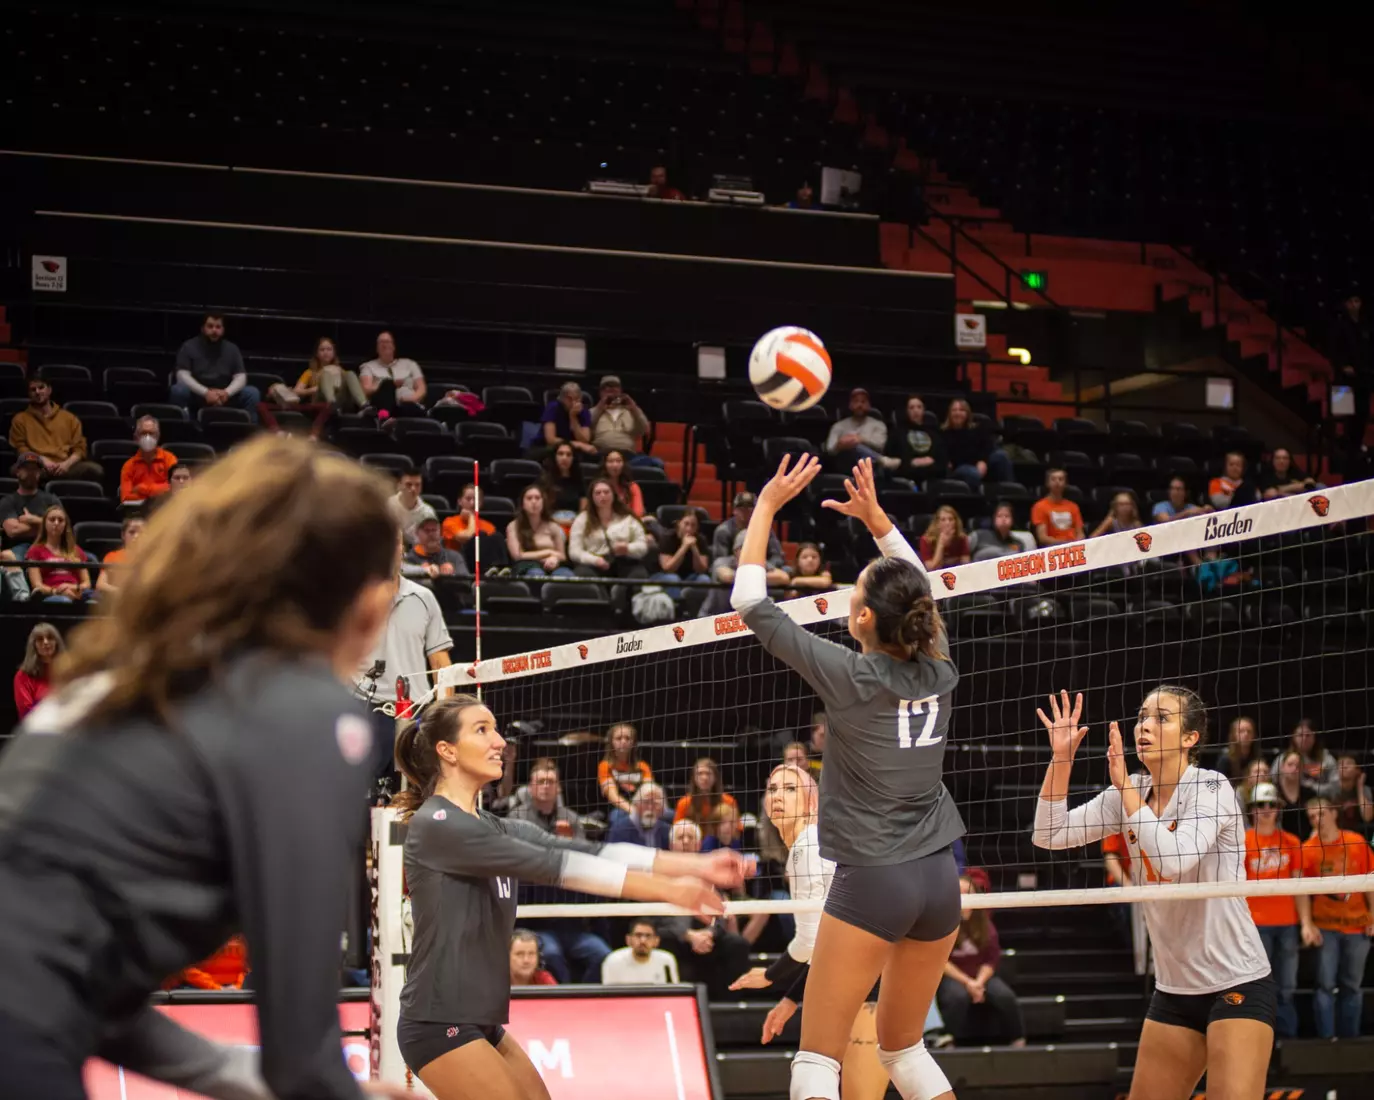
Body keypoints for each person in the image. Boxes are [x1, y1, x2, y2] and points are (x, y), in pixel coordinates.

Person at [0, 435, 415, 1100]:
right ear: (369, 605)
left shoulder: (119, 680)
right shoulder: (302, 711)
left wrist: (247, 1078)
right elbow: (302, 1060)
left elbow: (88, 991)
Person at [731, 454, 964, 1100]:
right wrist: (879, 522)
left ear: (863, 618)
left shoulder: (851, 674)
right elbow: (921, 591)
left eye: (855, 589)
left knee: (815, 1062)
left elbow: (748, 599)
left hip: (875, 878)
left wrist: (766, 506)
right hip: (939, 880)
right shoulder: (941, 669)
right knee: (905, 1050)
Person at [390, 694, 747, 1100]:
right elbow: (554, 865)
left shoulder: (494, 826)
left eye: (496, 729)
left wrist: (696, 865)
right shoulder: (438, 823)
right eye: (482, 730)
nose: (500, 741)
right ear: (447, 750)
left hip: (481, 1019)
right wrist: (668, 891)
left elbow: (587, 850)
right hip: (438, 1020)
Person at [1032, 687, 1274, 1099]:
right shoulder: (1127, 792)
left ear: (1190, 738)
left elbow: (1174, 860)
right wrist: (1062, 760)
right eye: (1143, 716)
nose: (1145, 725)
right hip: (1175, 991)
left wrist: (1125, 789)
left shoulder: (1211, 787)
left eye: (1162, 718)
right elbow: (1048, 833)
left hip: (1236, 982)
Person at [729, 763, 892, 1100]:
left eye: (790, 789)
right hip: (857, 976)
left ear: (811, 802)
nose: (778, 796)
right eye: (773, 789)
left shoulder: (809, 846)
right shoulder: (810, 845)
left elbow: (811, 943)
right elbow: (825, 947)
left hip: (869, 981)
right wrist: (790, 998)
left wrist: (771, 976)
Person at [508, 759, 611, 985]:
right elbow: (515, 857)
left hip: (569, 918)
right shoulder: (517, 817)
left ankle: (583, 999)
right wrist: (556, 848)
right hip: (536, 917)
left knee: (601, 954)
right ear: (531, 787)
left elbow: (584, 858)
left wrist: (569, 843)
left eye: (551, 782)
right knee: (552, 954)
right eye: (541, 781)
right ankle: (562, 999)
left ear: (558, 788)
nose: (546, 786)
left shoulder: (571, 818)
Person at [356, 532, 453, 724]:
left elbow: (440, 664)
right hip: (364, 709)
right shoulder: (351, 598)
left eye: (395, 542)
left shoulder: (424, 597)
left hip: (415, 712)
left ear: (403, 550)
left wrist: (444, 719)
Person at [1242, 781, 1313, 1039]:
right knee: (1258, 985)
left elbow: (1300, 887)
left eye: (1271, 804)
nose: (1266, 809)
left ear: (1279, 808)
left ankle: (1286, 1039)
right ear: (1252, 809)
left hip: (1287, 924)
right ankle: (1259, 1038)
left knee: (1287, 985)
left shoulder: (1292, 842)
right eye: (1261, 804)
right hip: (1255, 925)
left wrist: (1306, 923)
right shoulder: (1242, 841)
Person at [1301, 796, 1374, 1039]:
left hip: (1357, 926)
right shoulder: (1307, 849)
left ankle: (1350, 1041)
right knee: (1325, 986)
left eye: (1321, 813)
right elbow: (1302, 892)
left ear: (1334, 813)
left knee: (1352, 986)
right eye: (1312, 816)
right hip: (1326, 927)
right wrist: (1308, 924)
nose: (1317, 819)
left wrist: (1373, 915)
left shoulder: (1356, 841)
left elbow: (1370, 881)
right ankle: (1328, 1042)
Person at [937, 876, 1026, 1047]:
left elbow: (991, 958)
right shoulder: (942, 922)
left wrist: (978, 982)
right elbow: (941, 961)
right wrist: (968, 982)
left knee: (1005, 996)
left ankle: (1018, 1038)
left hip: (980, 975)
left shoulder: (983, 922)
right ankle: (947, 1039)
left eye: (967, 892)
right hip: (953, 975)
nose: (963, 896)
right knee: (957, 997)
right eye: (959, 892)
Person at [261, 336, 367, 435]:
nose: (326, 352)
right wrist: (315, 389)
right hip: (321, 403)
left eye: (329, 349)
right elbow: (297, 391)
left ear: (334, 352)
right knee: (326, 374)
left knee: (350, 374)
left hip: (340, 402)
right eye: (322, 350)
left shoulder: (341, 371)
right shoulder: (310, 372)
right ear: (317, 353)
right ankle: (331, 403)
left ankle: (364, 405)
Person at [7, 376, 102, 481]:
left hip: (66, 465)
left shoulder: (69, 418)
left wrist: (66, 464)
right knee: (22, 471)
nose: (37, 392)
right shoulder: (20, 419)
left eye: (41, 387)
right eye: (33, 390)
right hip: (37, 465)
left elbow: (79, 449)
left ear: (49, 390)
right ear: (29, 394)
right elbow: (21, 449)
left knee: (94, 469)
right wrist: (41, 460)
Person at [170, 313, 261, 422]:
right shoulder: (188, 346)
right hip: (198, 394)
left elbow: (241, 377)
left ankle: (249, 431)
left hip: (225, 394)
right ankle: (185, 429)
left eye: (218, 327)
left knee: (252, 393)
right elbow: (181, 376)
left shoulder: (232, 349)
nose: (214, 330)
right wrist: (206, 393)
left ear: (223, 330)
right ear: (203, 328)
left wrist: (227, 393)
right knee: (178, 390)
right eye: (210, 326)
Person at [568, 479, 649, 580]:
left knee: (639, 573)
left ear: (613, 495)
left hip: (624, 562)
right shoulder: (582, 519)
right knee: (582, 573)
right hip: (593, 564)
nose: (602, 495)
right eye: (598, 493)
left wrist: (628, 548)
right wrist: (595, 560)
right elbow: (574, 551)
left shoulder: (627, 518)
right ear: (592, 497)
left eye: (606, 492)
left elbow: (642, 546)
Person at [1329, 291, 1371, 471]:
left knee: (1362, 413)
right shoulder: (1339, 324)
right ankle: (1343, 447)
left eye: (1357, 301)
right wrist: (1342, 366)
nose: (1354, 305)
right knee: (1343, 414)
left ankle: (1357, 445)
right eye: (1351, 301)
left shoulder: (1365, 325)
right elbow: (1333, 349)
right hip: (1343, 379)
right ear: (1346, 304)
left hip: (1363, 377)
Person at [25, 505, 94, 603]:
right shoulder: (34, 551)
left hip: (77, 594)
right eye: (52, 519)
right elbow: (37, 585)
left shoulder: (76, 550)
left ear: (65, 525)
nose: (56, 523)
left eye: (60, 520)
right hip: (51, 595)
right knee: (64, 601)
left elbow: (87, 583)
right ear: (45, 524)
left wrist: (72, 587)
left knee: (94, 604)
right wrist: (57, 591)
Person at [943, 398, 1013, 491]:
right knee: (972, 473)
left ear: (967, 413)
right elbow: (953, 458)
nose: (958, 413)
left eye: (961, 410)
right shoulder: (944, 433)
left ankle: (1010, 492)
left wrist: (983, 461)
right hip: (960, 467)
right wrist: (976, 462)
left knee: (1001, 456)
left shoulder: (977, 429)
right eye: (954, 410)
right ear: (949, 414)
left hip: (979, 463)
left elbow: (988, 446)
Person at [506, 484, 573, 580]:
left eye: (537, 498)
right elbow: (517, 555)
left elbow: (562, 555)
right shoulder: (513, 526)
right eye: (529, 498)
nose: (534, 502)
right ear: (522, 504)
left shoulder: (553, 526)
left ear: (543, 502)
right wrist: (549, 552)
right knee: (537, 573)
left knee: (566, 575)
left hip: (552, 564)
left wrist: (554, 558)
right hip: (526, 565)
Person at [824, 388, 898, 473]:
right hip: (844, 464)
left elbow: (880, 445)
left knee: (861, 455)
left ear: (869, 405)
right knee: (852, 446)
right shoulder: (838, 426)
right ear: (850, 405)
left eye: (863, 402)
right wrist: (839, 445)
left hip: (873, 466)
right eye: (856, 401)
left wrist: (861, 440)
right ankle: (881, 460)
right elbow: (829, 449)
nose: (859, 405)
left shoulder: (878, 425)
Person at [590, 378, 659, 466]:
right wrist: (600, 408)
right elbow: (585, 427)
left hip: (628, 458)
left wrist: (634, 408)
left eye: (614, 389)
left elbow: (645, 429)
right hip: (601, 456)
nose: (611, 392)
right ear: (600, 393)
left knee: (657, 463)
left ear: (620, 392)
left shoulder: (631, 412)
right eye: (606, 389)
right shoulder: (593, 411)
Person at [359, 330, 427, 416]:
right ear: (377, 348)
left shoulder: (410, 364)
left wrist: (410, 399)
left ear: (393, 346)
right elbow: (366, 390)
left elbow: (422, 389)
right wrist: (385, 384)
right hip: (381, 406)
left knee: (410, 408)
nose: (384, 345)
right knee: (388, 384)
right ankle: (384, 418)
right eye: (381, 342)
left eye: (387, 342)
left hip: (408, 403)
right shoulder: (368, 366)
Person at [0, 452, 60, 549]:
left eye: (35, 469)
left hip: (48, 548)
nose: (31, 472)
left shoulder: (52, 499)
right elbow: (13, 531)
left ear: (40, 473)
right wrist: (48, 525)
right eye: (26, 468)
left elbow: (63, 527)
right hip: (19, 549)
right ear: (17, 471)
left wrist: (33, 520)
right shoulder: (7, 501)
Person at [654, 509, 711, 611]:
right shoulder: (667, 538)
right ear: (678, 524)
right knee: (673, 579)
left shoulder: (701, 540)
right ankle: (678, 611)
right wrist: (684, 547)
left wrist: (694, 548)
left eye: (693, 525)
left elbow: (701, 569)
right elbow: (668, 568)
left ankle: (699, 611)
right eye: (686, 524)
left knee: (704, 579)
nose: (689, 528)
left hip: (690, 576)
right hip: (664, 576)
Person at [711, 490, 785, 567]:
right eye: (741, 509)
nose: (745, 512)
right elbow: (719, 560)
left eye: (749, 509)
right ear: (734, 510)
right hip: (732, 568)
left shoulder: (764, 529)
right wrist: (744, 561)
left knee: (786, 569)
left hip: (761, 567)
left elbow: (777, 556)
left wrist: (765, 565)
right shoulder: (723, 530)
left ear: (756, 511)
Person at [597, 722, 654, 820]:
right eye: (619, 738)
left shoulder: (642, 766)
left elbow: (649, 791)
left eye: (627, 738)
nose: (623, 741)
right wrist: (634, 811)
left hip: (642, 806)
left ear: (633, 742)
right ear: (611, 742)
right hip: (617, 808)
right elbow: (613, 797)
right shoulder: (605, 766)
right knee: (618, 818)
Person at [601, 920, 680, 985]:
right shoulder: (613, 961)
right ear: (628, 939)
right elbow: (609, 996)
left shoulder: (666, 960)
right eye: (638, 935)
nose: (643, 941)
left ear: (656, 941)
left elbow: (674, 994)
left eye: (648, 936)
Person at [119, 416, 177, 504]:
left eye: (151, 433)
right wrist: (159, 492)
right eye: (143, 433)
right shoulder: (129, 466)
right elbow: (126, 499)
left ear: (158, 436)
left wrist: (142, 488)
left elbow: (175, 490)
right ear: (136, 437)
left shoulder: (170, 459)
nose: (147, 437)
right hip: (139, 511)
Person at [1276, 719, 1339, 798]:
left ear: (1315, 737)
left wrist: (1310, 789)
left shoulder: (1327, 759)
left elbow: (1335, 787)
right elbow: (1274, 782)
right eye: (1300, 735)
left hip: (1322, 800)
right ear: (1293, 737)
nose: (1304, 738)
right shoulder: (1283, 759)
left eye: (1308, 735)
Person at [13, 621, 62, 721]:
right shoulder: (23, 676)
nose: (46, 642)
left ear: (57, 642)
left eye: (50, 638)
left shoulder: (69, 672)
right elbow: (26, 712)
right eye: (40, 639)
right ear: (33, 645)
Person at [894, 396, 948, 487]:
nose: (915, 410)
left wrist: (928, 461)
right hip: (906, 474)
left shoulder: (933, 433)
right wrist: (911, 462)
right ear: (906, 411)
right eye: (911, 407)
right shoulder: (898, 433)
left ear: (923, 410)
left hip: (932, 475)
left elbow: (942, 459)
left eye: (919, 407)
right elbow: (893, 458)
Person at [673, 757, 739, 829]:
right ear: (694, 778)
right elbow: (677, 829)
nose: (704, 777)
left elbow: (737, 829)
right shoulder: (684, 803)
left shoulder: (729, 801)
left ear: (715, 777)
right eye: (700, 773)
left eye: (708, 773)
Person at [606, 782, 672, 849]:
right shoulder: (620, 828)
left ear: (662, 809)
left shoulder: (666, 830)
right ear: (636, 805)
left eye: (655, 803)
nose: (650, 807)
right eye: (646, 802)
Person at [404, 515, 470, 582]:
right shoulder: (410, 559)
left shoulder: (454, 557)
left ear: (440, 533)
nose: (431, 534)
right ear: (417, 533)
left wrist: (452, 576)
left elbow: (466, 583)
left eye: (434, 530)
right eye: (426, 530)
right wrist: (422, 573)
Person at [540, 383, 597, 457]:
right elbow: (551, 440)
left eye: (577, 398)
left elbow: (585, 440)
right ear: (562, 398)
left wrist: (573, 417)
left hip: (574, 450)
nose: (573, 402)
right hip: (548, 447)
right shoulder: (553, 407)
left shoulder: (584, 411)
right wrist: (577, 444)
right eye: (569, 399)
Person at [1030, 467, 1085, 546]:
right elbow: (1042, 537)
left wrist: (1077, 544)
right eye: (1053, 479)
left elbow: (1080, 533)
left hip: (1074, 546)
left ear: (1065, 483)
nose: (1057, 482)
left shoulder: (1073, 506)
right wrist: (1064, 544)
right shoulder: (1039, 506)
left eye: (1060, 479)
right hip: (1053, 547)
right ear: (1047, 483)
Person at [441, 483, 496, 556]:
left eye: (476, 499)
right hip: (456, 560)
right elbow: (467, 538)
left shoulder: (489, 527)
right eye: (468, 499)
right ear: (460, 501)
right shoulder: (449, 522)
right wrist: (471, 517)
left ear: (481, 503)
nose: (472, 503)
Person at [1271, 750, 1315, 841]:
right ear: (1282, 767)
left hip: (1307, 842)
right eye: (1290, 765)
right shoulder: (1273, 791)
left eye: (1298, 766)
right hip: (1279, 842)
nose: (1294, 768)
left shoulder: (1310, 793)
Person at [96, 514, 146, 594]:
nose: (136, 536)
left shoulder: (153, 557)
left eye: (141, 532)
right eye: (132, 532)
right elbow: (101, 585)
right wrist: (122, 592)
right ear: (123, 535)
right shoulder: (112, 556)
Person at [539, 441, 586, 525]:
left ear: (573, 458)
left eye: (568, 454)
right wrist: (560, 522)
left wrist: (575, 522)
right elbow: (542, 510)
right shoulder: (544, 480)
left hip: (575, 523)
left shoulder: (579, 480)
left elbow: (583, 510)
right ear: (555, 457)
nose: (564, 458)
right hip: (551, 523)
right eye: (560, 454)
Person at [970, 503, 1035, 562]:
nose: (1003, 519)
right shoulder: (978, 536)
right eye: (999, 516)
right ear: (994, 519)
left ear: (1012, 520)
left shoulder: (1018, 544)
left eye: (1007, 516)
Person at [389, 468, 438, 544]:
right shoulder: (388, 506)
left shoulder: (428, 513)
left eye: (417, 485)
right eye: (408, 484)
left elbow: (430, 542)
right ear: (399, 485)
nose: (413, 489)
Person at [1211, 715, 1262, 783]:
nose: (1246, 734)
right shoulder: (1225, 759)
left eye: (1249, 731)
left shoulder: (1257, 756)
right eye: (1241, 731)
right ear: (1233, 734)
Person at [596, 449, 645, 517]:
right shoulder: (598, 487)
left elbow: (638, 513)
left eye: (618, 461)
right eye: (610, 461)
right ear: (604, 464)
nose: (615, 465)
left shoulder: (632, 487)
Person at [1333, 756, 1374, 832]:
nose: (1344, 766)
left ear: (1357, 770)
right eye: (1340, 764)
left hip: (1359, 833)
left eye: (1348, 763)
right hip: (1337, 832)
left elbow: (1367, 817)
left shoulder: (1365, 789)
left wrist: (1360, 787)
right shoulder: (1328, 790)